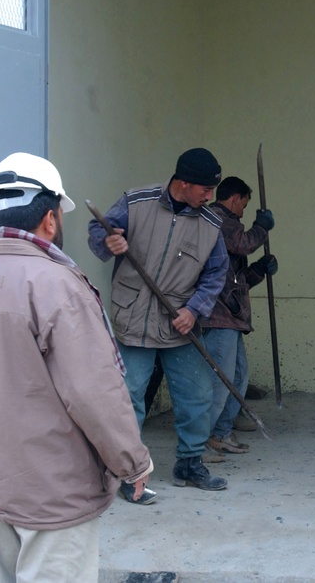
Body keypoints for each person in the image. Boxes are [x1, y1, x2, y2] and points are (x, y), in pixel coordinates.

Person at [0, 152, 153, 583]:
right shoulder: (57, 284)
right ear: (49, 218)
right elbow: (94, 392)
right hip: (55, 492)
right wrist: (133, 462)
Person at [88, 147, 230, 492]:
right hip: (133, 318)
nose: (211, 197)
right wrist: (110, 242)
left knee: (196, 394)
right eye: (205, 190)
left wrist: (194, 309)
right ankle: (129, 472)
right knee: (129, 396)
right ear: (182, 183)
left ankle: (189, 464)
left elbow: (216, 274)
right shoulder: (136, 202)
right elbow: (98, 232)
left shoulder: (211, 225)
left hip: (178, 321)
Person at [201, 176, 278, 456]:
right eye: (244, 205)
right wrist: (261, 228)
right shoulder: (218, 219)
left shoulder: (224, 225)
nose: (244, 211)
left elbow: (236, 277)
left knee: (237, 375)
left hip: (229, 315)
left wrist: (258, 269)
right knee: (223, 381)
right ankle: (202, 442)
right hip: (219, 314)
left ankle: (220, 433)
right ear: (235, 198)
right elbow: (243, 243)